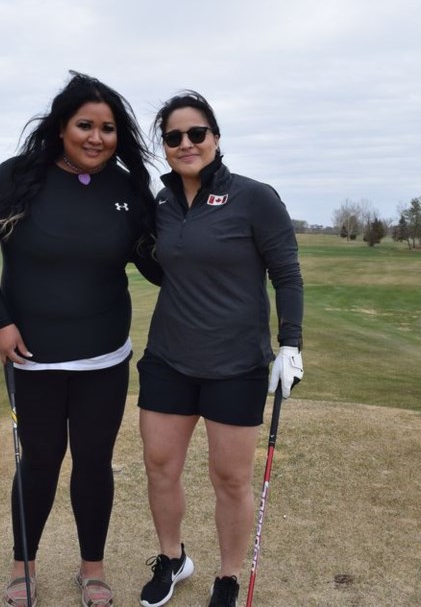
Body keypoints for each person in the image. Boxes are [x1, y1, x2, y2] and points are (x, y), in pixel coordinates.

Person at [0, 71, 161, 607]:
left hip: (105, 357)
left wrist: (213, 252)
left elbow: (155, 262)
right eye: (85, 125)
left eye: (109, 128)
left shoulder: (126, 188)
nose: (97, 137)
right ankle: (23, 567)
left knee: (94, 462)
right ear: (62, 127)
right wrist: (1, 321)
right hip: (34, 357)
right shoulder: (19, 178)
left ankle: (91, 569)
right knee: (41, 461)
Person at [136, 91, 304, 607]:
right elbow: (160, 269)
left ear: (215, 138)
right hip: (169, 358)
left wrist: (290, 343)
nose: (185, 144)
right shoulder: (160, 205)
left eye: (196, 133)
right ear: (164, 147)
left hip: (236, 364)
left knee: (230, 478)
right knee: (160, 466)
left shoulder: (255, 197)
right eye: (173, 137)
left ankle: (228, 576)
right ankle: (172, 559)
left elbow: (287, 274)